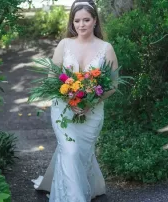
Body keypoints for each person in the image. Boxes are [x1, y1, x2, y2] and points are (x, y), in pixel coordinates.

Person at [32, 0, 118, 201]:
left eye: (86, 20)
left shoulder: (106, 49)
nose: (81, 25)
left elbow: (113, 85)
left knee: (81, 153)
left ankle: (84, 186)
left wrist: (90, 102)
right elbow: (52, 79)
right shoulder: (64, 44)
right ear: (72, 22)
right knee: (70, 150)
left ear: (95, 20)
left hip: (92, 111)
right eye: (77, 20)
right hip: (63, 110)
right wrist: (69, 97)